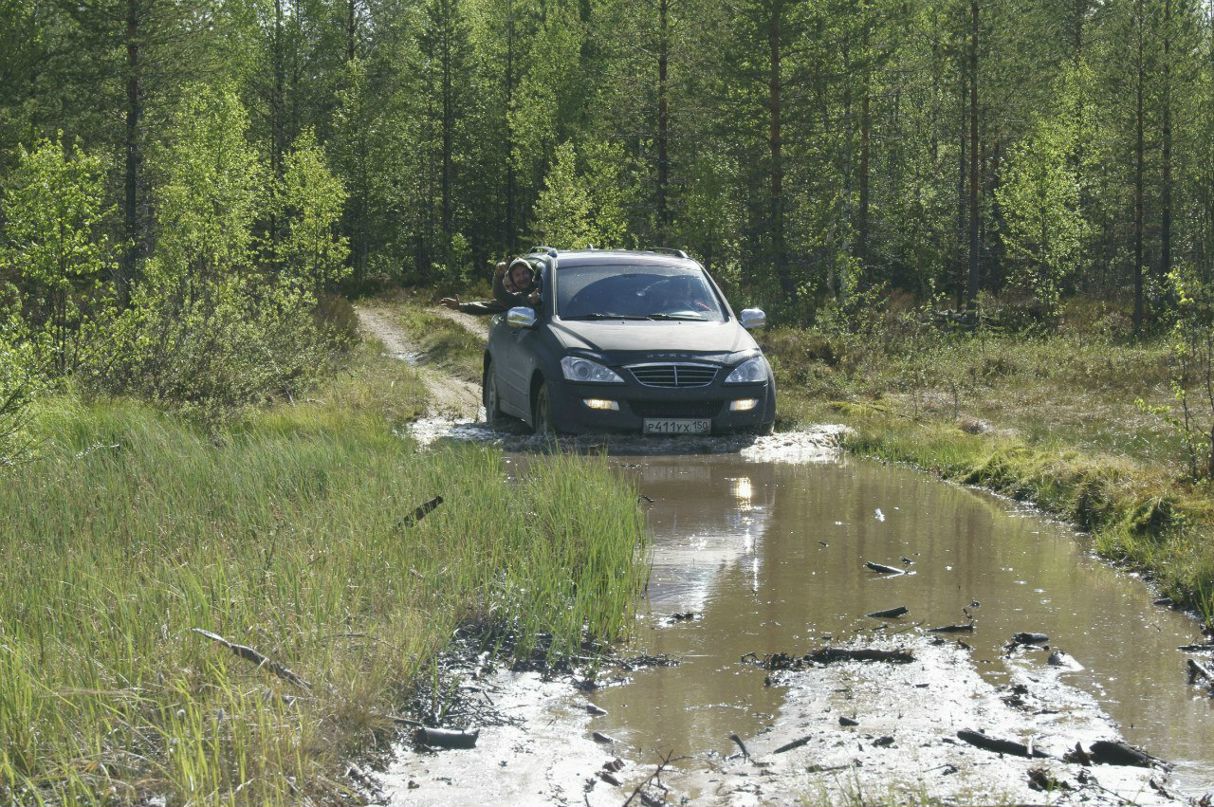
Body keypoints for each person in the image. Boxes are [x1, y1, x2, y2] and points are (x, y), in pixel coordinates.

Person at [441, 258, 539, 315]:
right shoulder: (516, 299)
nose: (522, 278)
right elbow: (488, 304)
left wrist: (539, 301)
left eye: (524, 273)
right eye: (517, 275)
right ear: (513, 280)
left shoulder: (544, 287)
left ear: (531, 274)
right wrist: (461, 306)